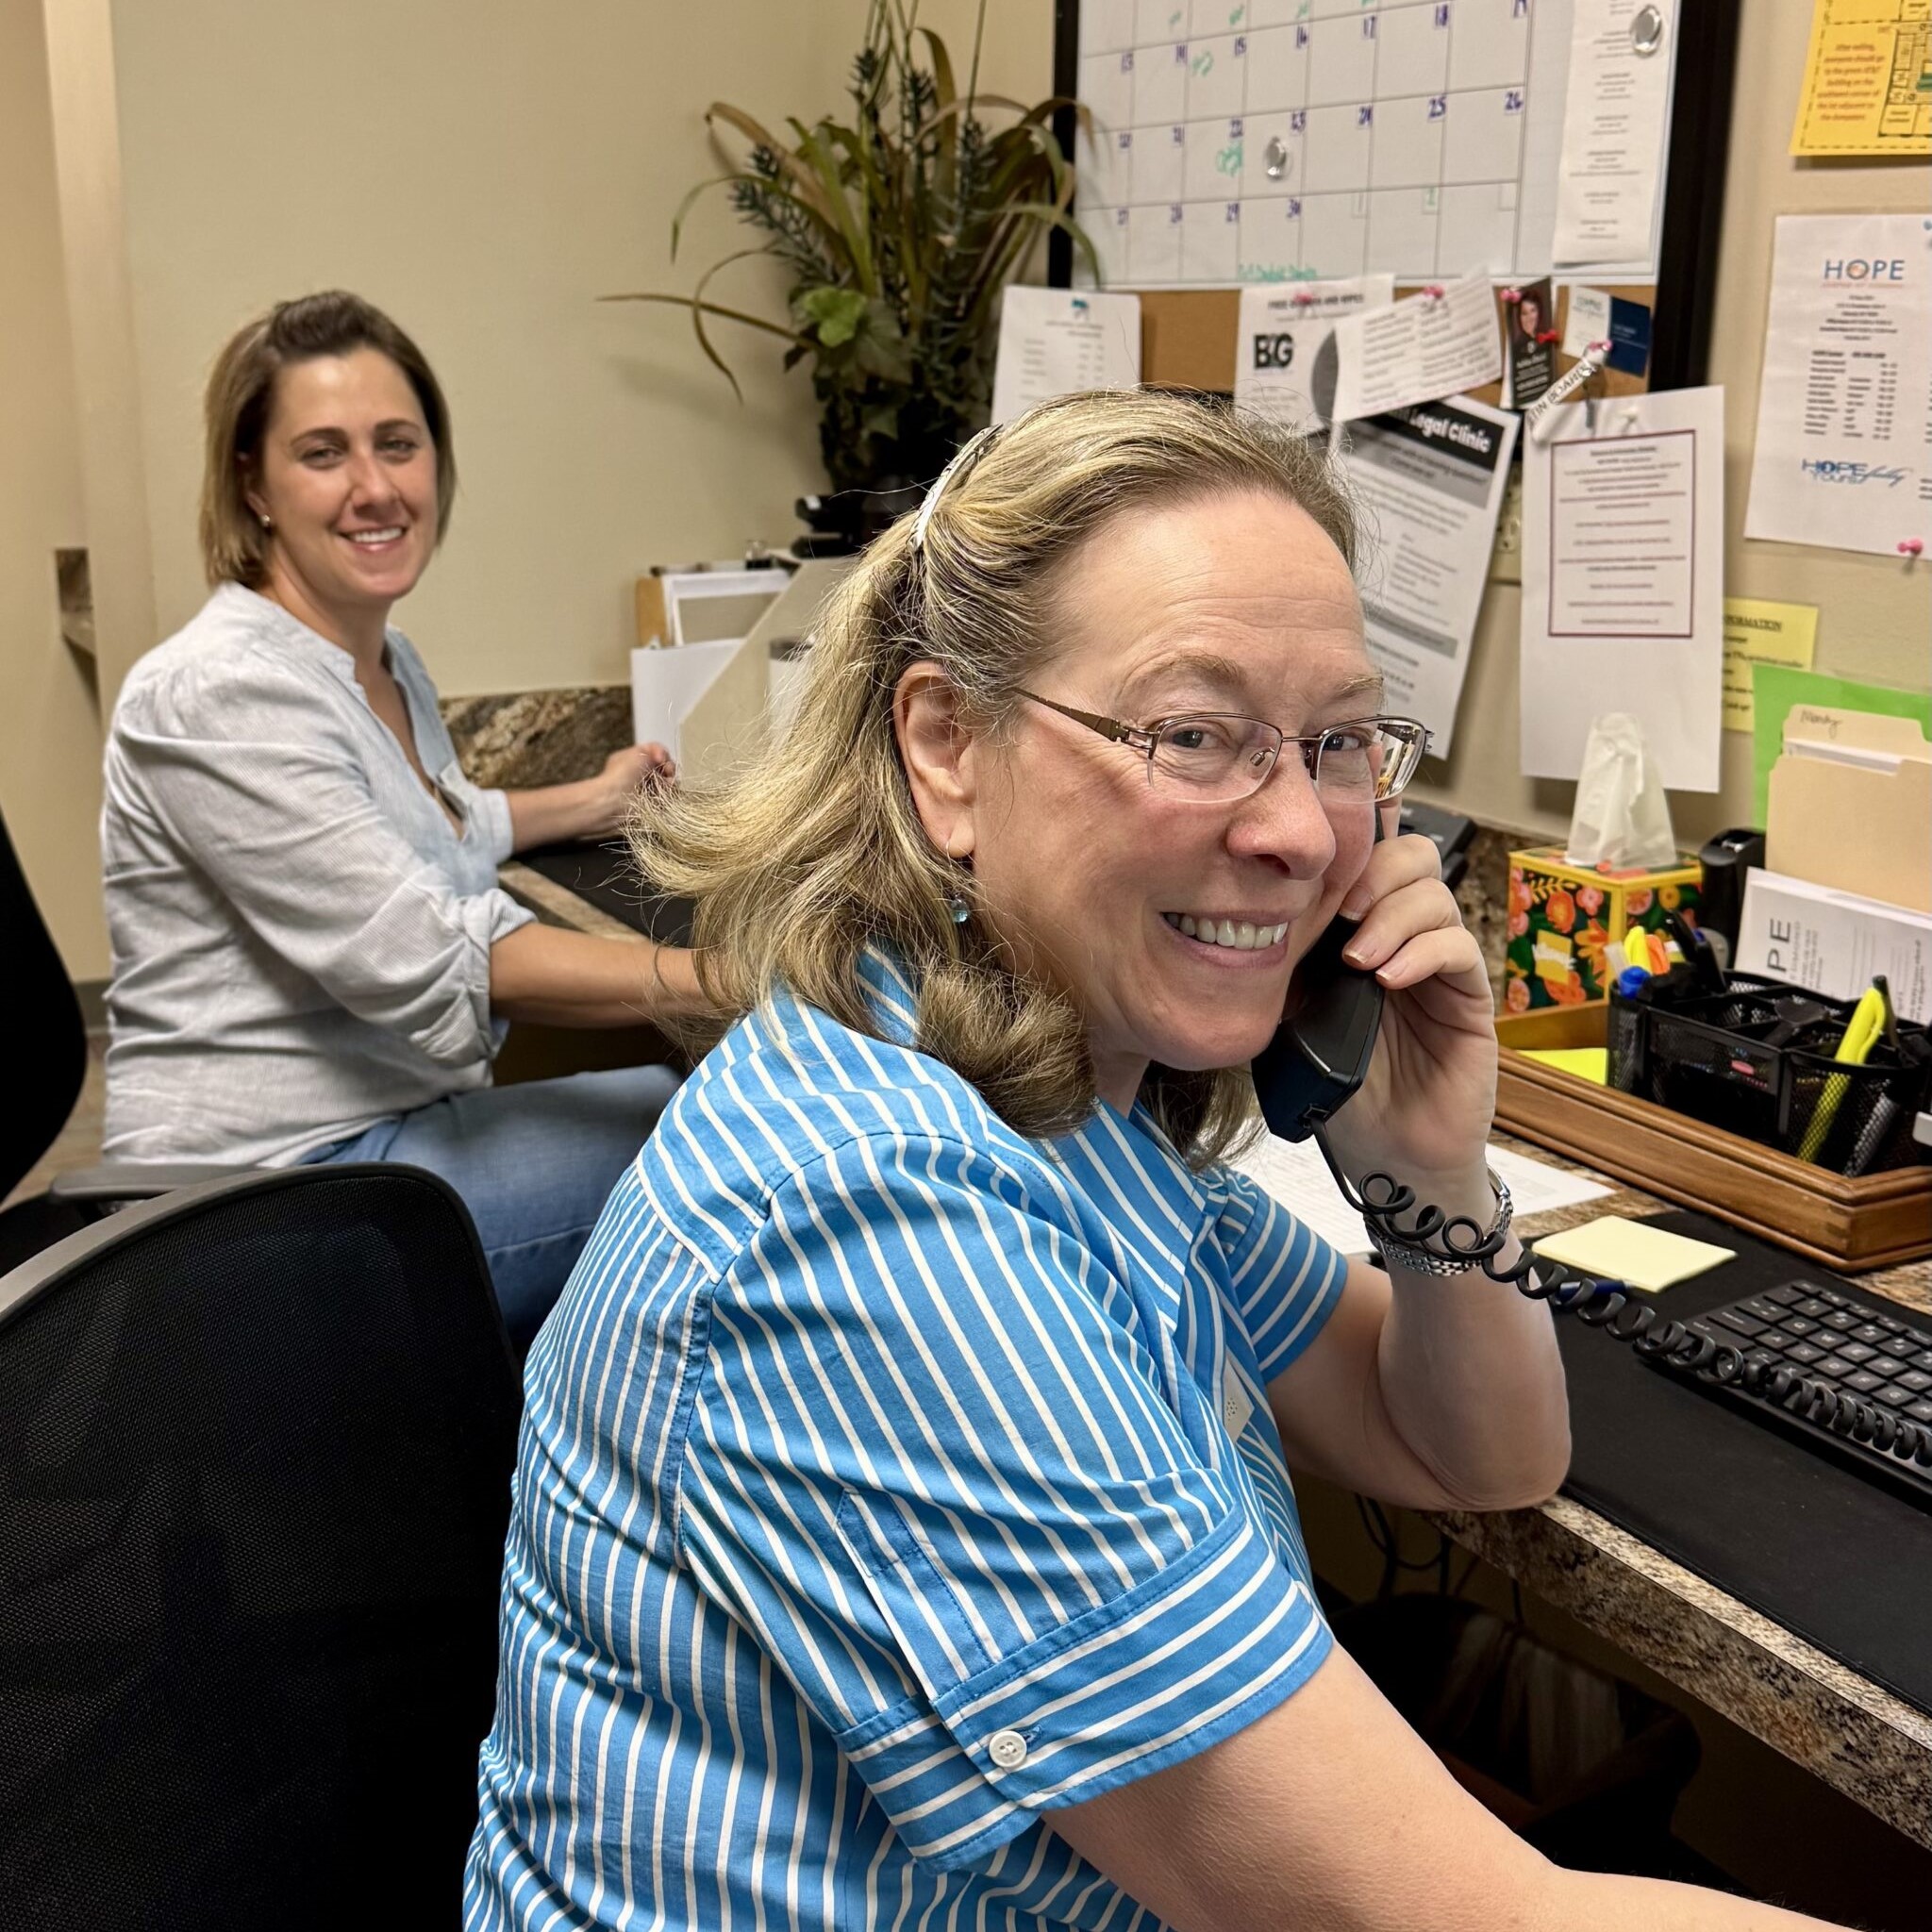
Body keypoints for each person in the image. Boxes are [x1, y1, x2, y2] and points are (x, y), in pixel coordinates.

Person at [464, 392, 1850, 1929]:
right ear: (945, 748)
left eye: (1334, 741)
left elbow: (1474, 1451)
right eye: (1192, 735)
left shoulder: (1065, 1110)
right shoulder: (871, 1216)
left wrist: (1427, 1161)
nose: (1295, 829)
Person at [101, 291, 708, 1344]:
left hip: (370, 1141)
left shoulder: (376, 658)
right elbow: (426, 947)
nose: (374, 487)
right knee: (718, 1138)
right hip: (256, 1202)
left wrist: (593, 795)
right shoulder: (216, 690)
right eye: (323, 453)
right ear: (252, 483)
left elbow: (426, 826)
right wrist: (742, 980)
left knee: (683, 1102)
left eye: (398, 444)